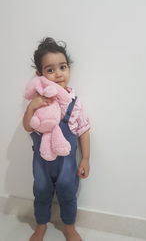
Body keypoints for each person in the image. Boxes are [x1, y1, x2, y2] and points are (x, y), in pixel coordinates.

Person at [23, 37, 90, 241]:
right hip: (41, 162)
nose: (58, 74)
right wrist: (31, 108)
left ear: (68, 68)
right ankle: (41, 226)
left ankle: (69, 227)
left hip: (66, 163)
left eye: (62, 67)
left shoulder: (75, 103)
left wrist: (85, 158)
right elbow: (27, 127)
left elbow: (84, 130)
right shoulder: (38, 102)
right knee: (41, 191)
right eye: (50, 70)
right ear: (40, 75)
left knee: (68, 192)